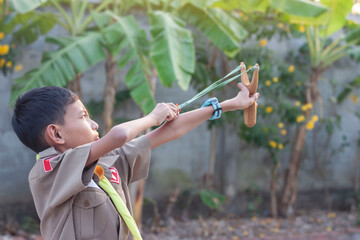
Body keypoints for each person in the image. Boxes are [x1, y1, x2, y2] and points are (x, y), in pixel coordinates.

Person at [12, 84, 259, 240]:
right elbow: (118, 135)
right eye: (84, 117)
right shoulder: (48, 173)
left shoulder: (104, 164)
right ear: (56, 134)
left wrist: (228, 105)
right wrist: (152, 116)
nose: (94, 124)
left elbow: (166, 132)